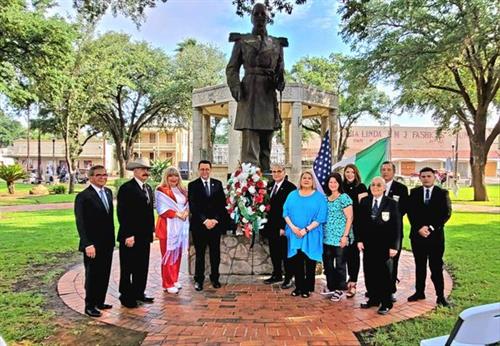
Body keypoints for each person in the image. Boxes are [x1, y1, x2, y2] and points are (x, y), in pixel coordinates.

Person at [226, 3, 287, 172]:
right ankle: (249, 177)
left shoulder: (276, 44)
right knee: (250, 142)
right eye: (256, 14)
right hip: (250, 93)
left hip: (267, 95)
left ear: (267, 18)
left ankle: (267, 177)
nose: (260, 17)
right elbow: (232, 68)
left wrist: (280, 81)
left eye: (263, 14)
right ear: (251, 17)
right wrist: (236, 88)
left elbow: (280, 70)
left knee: (266, 142)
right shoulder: (242, 41)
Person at [407, 167, 452, 307]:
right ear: (420, 178)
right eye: (423, 176)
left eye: (429, 176)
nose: (426, 178)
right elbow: (411, 213)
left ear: (434, 177)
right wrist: (419, 228)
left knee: (436, 266)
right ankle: (419, 292)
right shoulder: (414, 193)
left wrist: (431, 228)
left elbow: (446, 213)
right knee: (420, 265)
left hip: (435, 237)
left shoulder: (442, 193)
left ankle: (440, 296)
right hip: (417, 236)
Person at [74, 165, 115, 317]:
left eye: (105, 175)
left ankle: (99, 301)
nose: (103, 177)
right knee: (92, 275)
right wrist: (87, 244)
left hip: (107, 243)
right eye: (99, 175)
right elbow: (81, 223)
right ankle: (89, 305)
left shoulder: (109, 193)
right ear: (91, 177)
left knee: (104, 273)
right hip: (92, 245)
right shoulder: (83, 196)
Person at [357, 176, 401, 315]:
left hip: (385, 245)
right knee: (369, 272)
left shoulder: (391, 203)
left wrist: (395, 246)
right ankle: (373, 299)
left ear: (384, 188)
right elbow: (359, 223)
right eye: (373, 185)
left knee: (384, 275)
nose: (375, 187)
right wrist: (359, 240)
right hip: (368, 244)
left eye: (378, 185)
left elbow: (397, 226)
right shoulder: (365, 201)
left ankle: (386, 302)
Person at [117, 157, 155, 308]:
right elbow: (123, 213)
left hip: (144, 236)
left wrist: (152, 230)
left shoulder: (147, 188)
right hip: (130, 236)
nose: (146, 172)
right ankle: (126, 296)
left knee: (142, 266)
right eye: (143, 169)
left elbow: (148, 213)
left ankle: (139, 292)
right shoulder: (127, 188)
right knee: (128, 267)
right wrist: (128, 234)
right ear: (135, 171)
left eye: (147, 170)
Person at [283, 170, 327, 298]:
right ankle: (298, 287)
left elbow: (320, 217)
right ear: (300, 180)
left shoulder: (319, 197)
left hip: (311, 234)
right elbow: (285, 212)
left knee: (309, 262)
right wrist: (293, 227)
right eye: (304, 178)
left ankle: (307, 288)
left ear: (313, 181)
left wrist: (306, 229)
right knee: (297, 262)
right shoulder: (292, 195)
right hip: (295, 233)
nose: (306, 180)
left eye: (309, 178)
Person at [188, 160, 227, 291]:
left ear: (211, 170)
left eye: (207, 169)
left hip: (215, 226)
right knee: (200, 255)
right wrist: (205, 221)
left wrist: (215, 220)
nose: (204, 171)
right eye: (202, 169)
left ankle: (215, 278)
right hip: (200, 226)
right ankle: (199, 280)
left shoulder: (218, 184)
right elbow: (193, 205)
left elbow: (222, 204)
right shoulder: (193, 185)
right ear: (199, 170)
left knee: (215, 254)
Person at [155, 166, 189, 294]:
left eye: (175, 175)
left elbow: (186, 204)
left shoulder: (182, 190)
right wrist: (177, 214)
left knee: (177, 255)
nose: (173, 178)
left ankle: (174, 279)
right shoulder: (161, 190)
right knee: (168, 256)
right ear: (166, 177)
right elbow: (161, 208)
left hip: (180, 228)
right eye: (170, 176)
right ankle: (167, 283)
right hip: (167, 228)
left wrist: (186, 212)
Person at [262, 163, 296, 288]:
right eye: (273, 171)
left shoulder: (290, 188)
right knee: (274, 251)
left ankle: (288, 277)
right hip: (271, 226)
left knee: (285, 253)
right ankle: (276, 274)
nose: (276, 174)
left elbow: (291, 209)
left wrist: (283, 227)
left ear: (284, 172)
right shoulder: (270, 186)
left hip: (283, 226)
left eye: (278, 171)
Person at [321, 172, 354, 302]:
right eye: (330, 182)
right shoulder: (325, 198)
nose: (333, 184)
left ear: (339, 183)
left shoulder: (344, 198)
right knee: (328, 264)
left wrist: (345, 236)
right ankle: (331, 286)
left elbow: (350, 217)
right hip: (326, 237)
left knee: (340, 264)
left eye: (335, 182)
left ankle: (340, 289)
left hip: (340, 237)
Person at [380, 161, 408, 301]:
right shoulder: (375, 186)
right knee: (377, 262)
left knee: (392, 262)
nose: (385, 172)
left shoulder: (401, 189)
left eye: (388, 169)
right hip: (377, 232)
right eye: (383, 169)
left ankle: (390, 290)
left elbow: (402, 209)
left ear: (393, 172)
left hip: (393, 231)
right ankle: (377, 289)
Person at [342, 164, 368, 298]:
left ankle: (353, 283)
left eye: (352, 172)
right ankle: (345, 279)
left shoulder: (361, 187)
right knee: (343, 255)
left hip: (356, 225)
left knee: (354, 256)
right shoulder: (341, 187)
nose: (349, 174)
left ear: (356, 173)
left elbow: (363, 209)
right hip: (342, 226)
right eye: (347, 172)